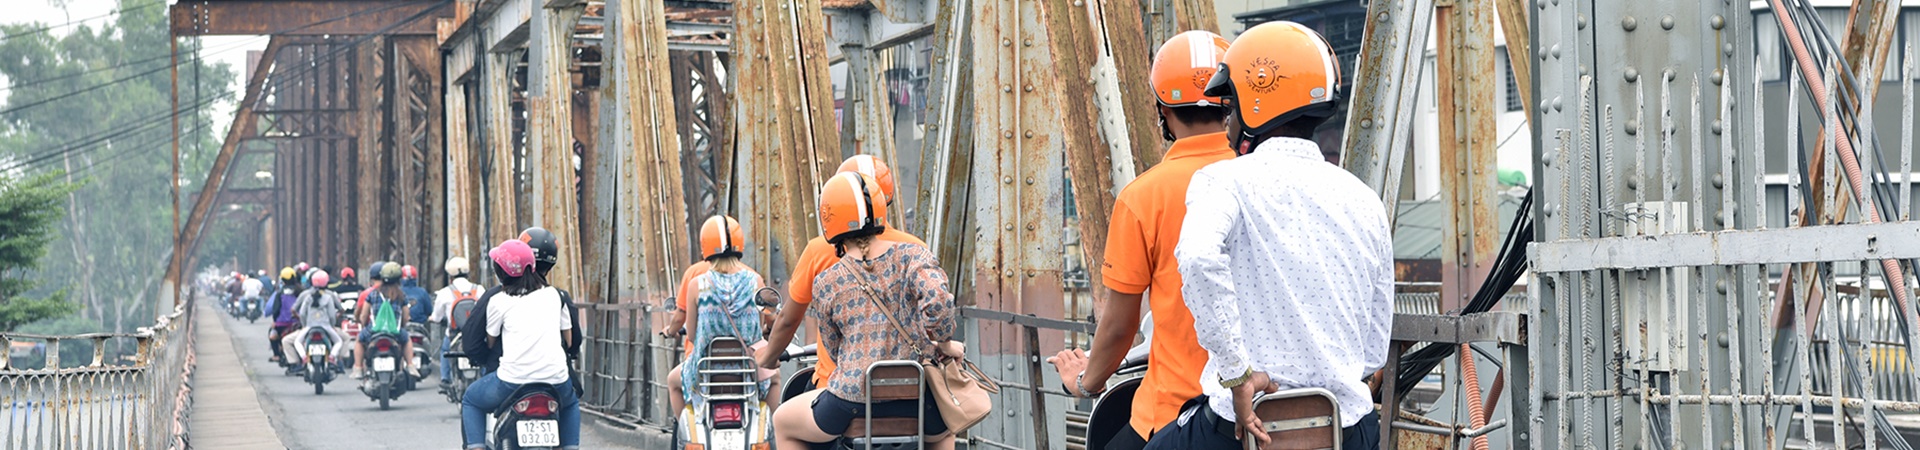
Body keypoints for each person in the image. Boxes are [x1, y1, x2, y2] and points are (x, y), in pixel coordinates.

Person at [1146, 22, 1392, 450]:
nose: (1228, 122)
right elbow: (1373, 349)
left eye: (1232, 107)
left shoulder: (1222, 181)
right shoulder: (1365, 198)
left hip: (1247, 430)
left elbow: (1199, 258)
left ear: (1258, 104)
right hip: (1346, 429)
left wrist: (1238, 374)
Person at [1043, 30, 1236, 450]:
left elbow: (1120, 325)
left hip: (1176, 411)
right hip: (1269, 408)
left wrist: (1084, 380)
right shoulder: (1264, 179)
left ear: (1162, 109)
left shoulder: (1144, 197)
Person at [765, 172, 962, 450]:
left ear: (829, 220)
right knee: (946, 431)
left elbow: (833, 349)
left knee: (783, 421)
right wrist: (944, 342)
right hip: (918, 398)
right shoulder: (913, 256)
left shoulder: (827, 281)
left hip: (850, 402)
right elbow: (939, 299)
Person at [757, 155, 927, 394]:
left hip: (838, 388)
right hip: (910, 390)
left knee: (786, 422)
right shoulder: (915, 248)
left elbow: (788, 320)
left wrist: (768, 357)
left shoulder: (819, 251)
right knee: (943, 432)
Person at [459, 239, 580, 450]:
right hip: (556, 380)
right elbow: (569, 341)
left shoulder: (498, 300)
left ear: (499, 271)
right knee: (570, 404)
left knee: (471, 400)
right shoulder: (555, 295)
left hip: (512, 381)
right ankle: (571, 447)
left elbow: (490, 340)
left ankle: (476, 447)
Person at [667, 215, 777, 417]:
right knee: (775, 378)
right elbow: (758, 332)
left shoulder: (697, 285)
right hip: (746, 370)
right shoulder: (756, 281)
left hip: (705, 371)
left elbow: (691, 336)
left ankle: (689, 430)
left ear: (705, 247)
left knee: (672, 382)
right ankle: (767, 427)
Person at [353, 263, 418, 379]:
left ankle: (358, 368)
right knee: (407, 340)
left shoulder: (372, 294)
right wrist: (401, 325)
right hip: (394, 332)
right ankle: (410, 365)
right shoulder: (401, 295)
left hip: (374, 331)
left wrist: (364, 325)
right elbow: (405, 316)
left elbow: (364, 315)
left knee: (359, 340)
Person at [281, 270, 346, 374]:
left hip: (309, 326)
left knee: (297, 342)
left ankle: (303, 358)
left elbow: (302, 313)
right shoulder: (329, 296)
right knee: (339, 341)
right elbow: (332, 315)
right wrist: (332, 325)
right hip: (326, 327)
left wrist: (304, 324)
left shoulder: (307, 296)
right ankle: (333, 357)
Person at [431, 256, 482, 390]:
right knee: (484, 352)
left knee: (445, 349)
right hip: (475, 334)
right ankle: (485, 374)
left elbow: (436, 317)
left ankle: (445, 379)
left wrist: (433, 319)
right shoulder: (479, 289)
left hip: (454, 335)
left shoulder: (444, 293)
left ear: (450, 276)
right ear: (468, 274)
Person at [265, 270, 303, 363]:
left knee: (272, 335)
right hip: (297, 322)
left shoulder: (280, 293)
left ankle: (276, 355)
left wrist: (275, 321)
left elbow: (276, 309)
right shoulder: (300, 291)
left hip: (281, 324)